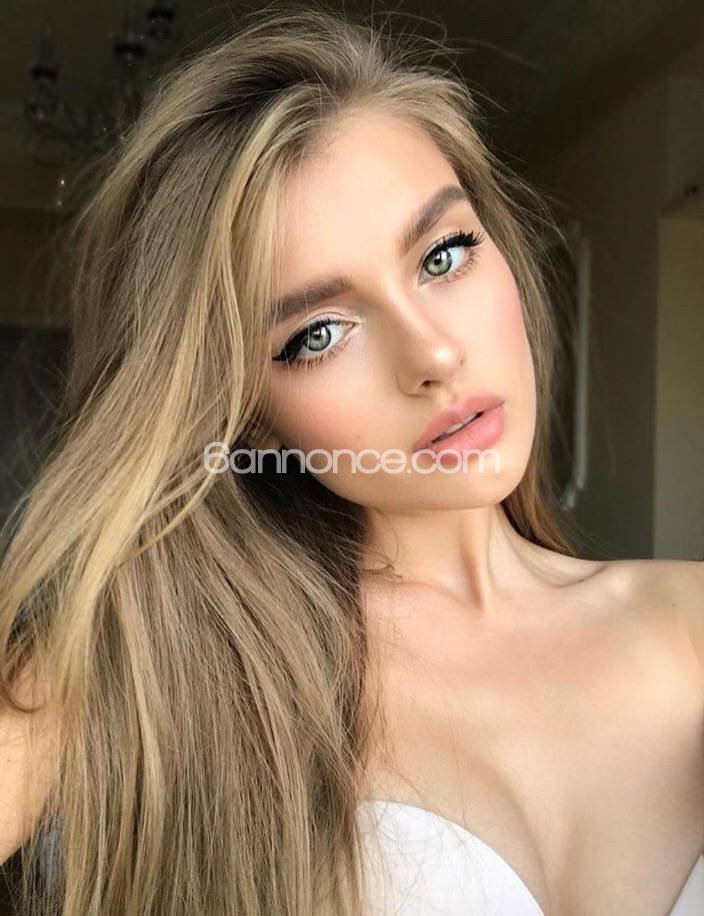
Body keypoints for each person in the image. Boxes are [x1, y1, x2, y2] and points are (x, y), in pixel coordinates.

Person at [0, 6, 702, 915]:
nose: (433, 355)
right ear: (249, 420)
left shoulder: (691, 621)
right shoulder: (153, 665)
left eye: (444, 255)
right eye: (319, 333)